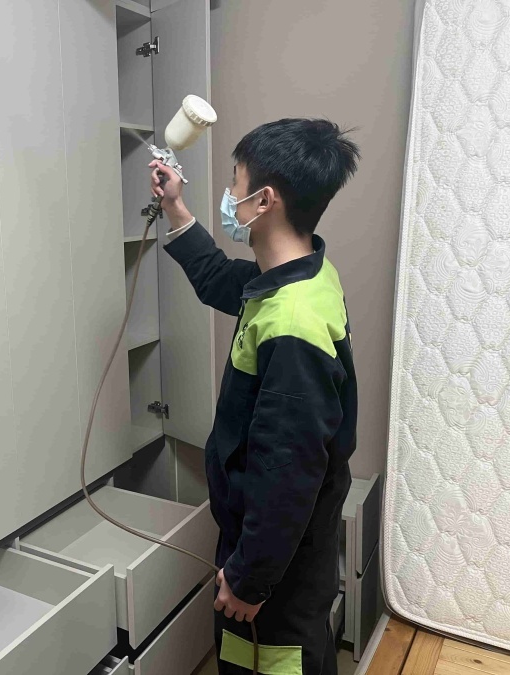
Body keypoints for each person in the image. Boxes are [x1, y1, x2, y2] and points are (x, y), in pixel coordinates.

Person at [150, 118, 360, 675]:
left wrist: (249, 580)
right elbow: (222, 278)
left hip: (277, 565)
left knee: (274, 661)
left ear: (264, 200)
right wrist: (176, 208)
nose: (229, 196)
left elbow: (287, 471)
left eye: (235, 182)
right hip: (280, 548)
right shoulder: (304, 274)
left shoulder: (291, 325)